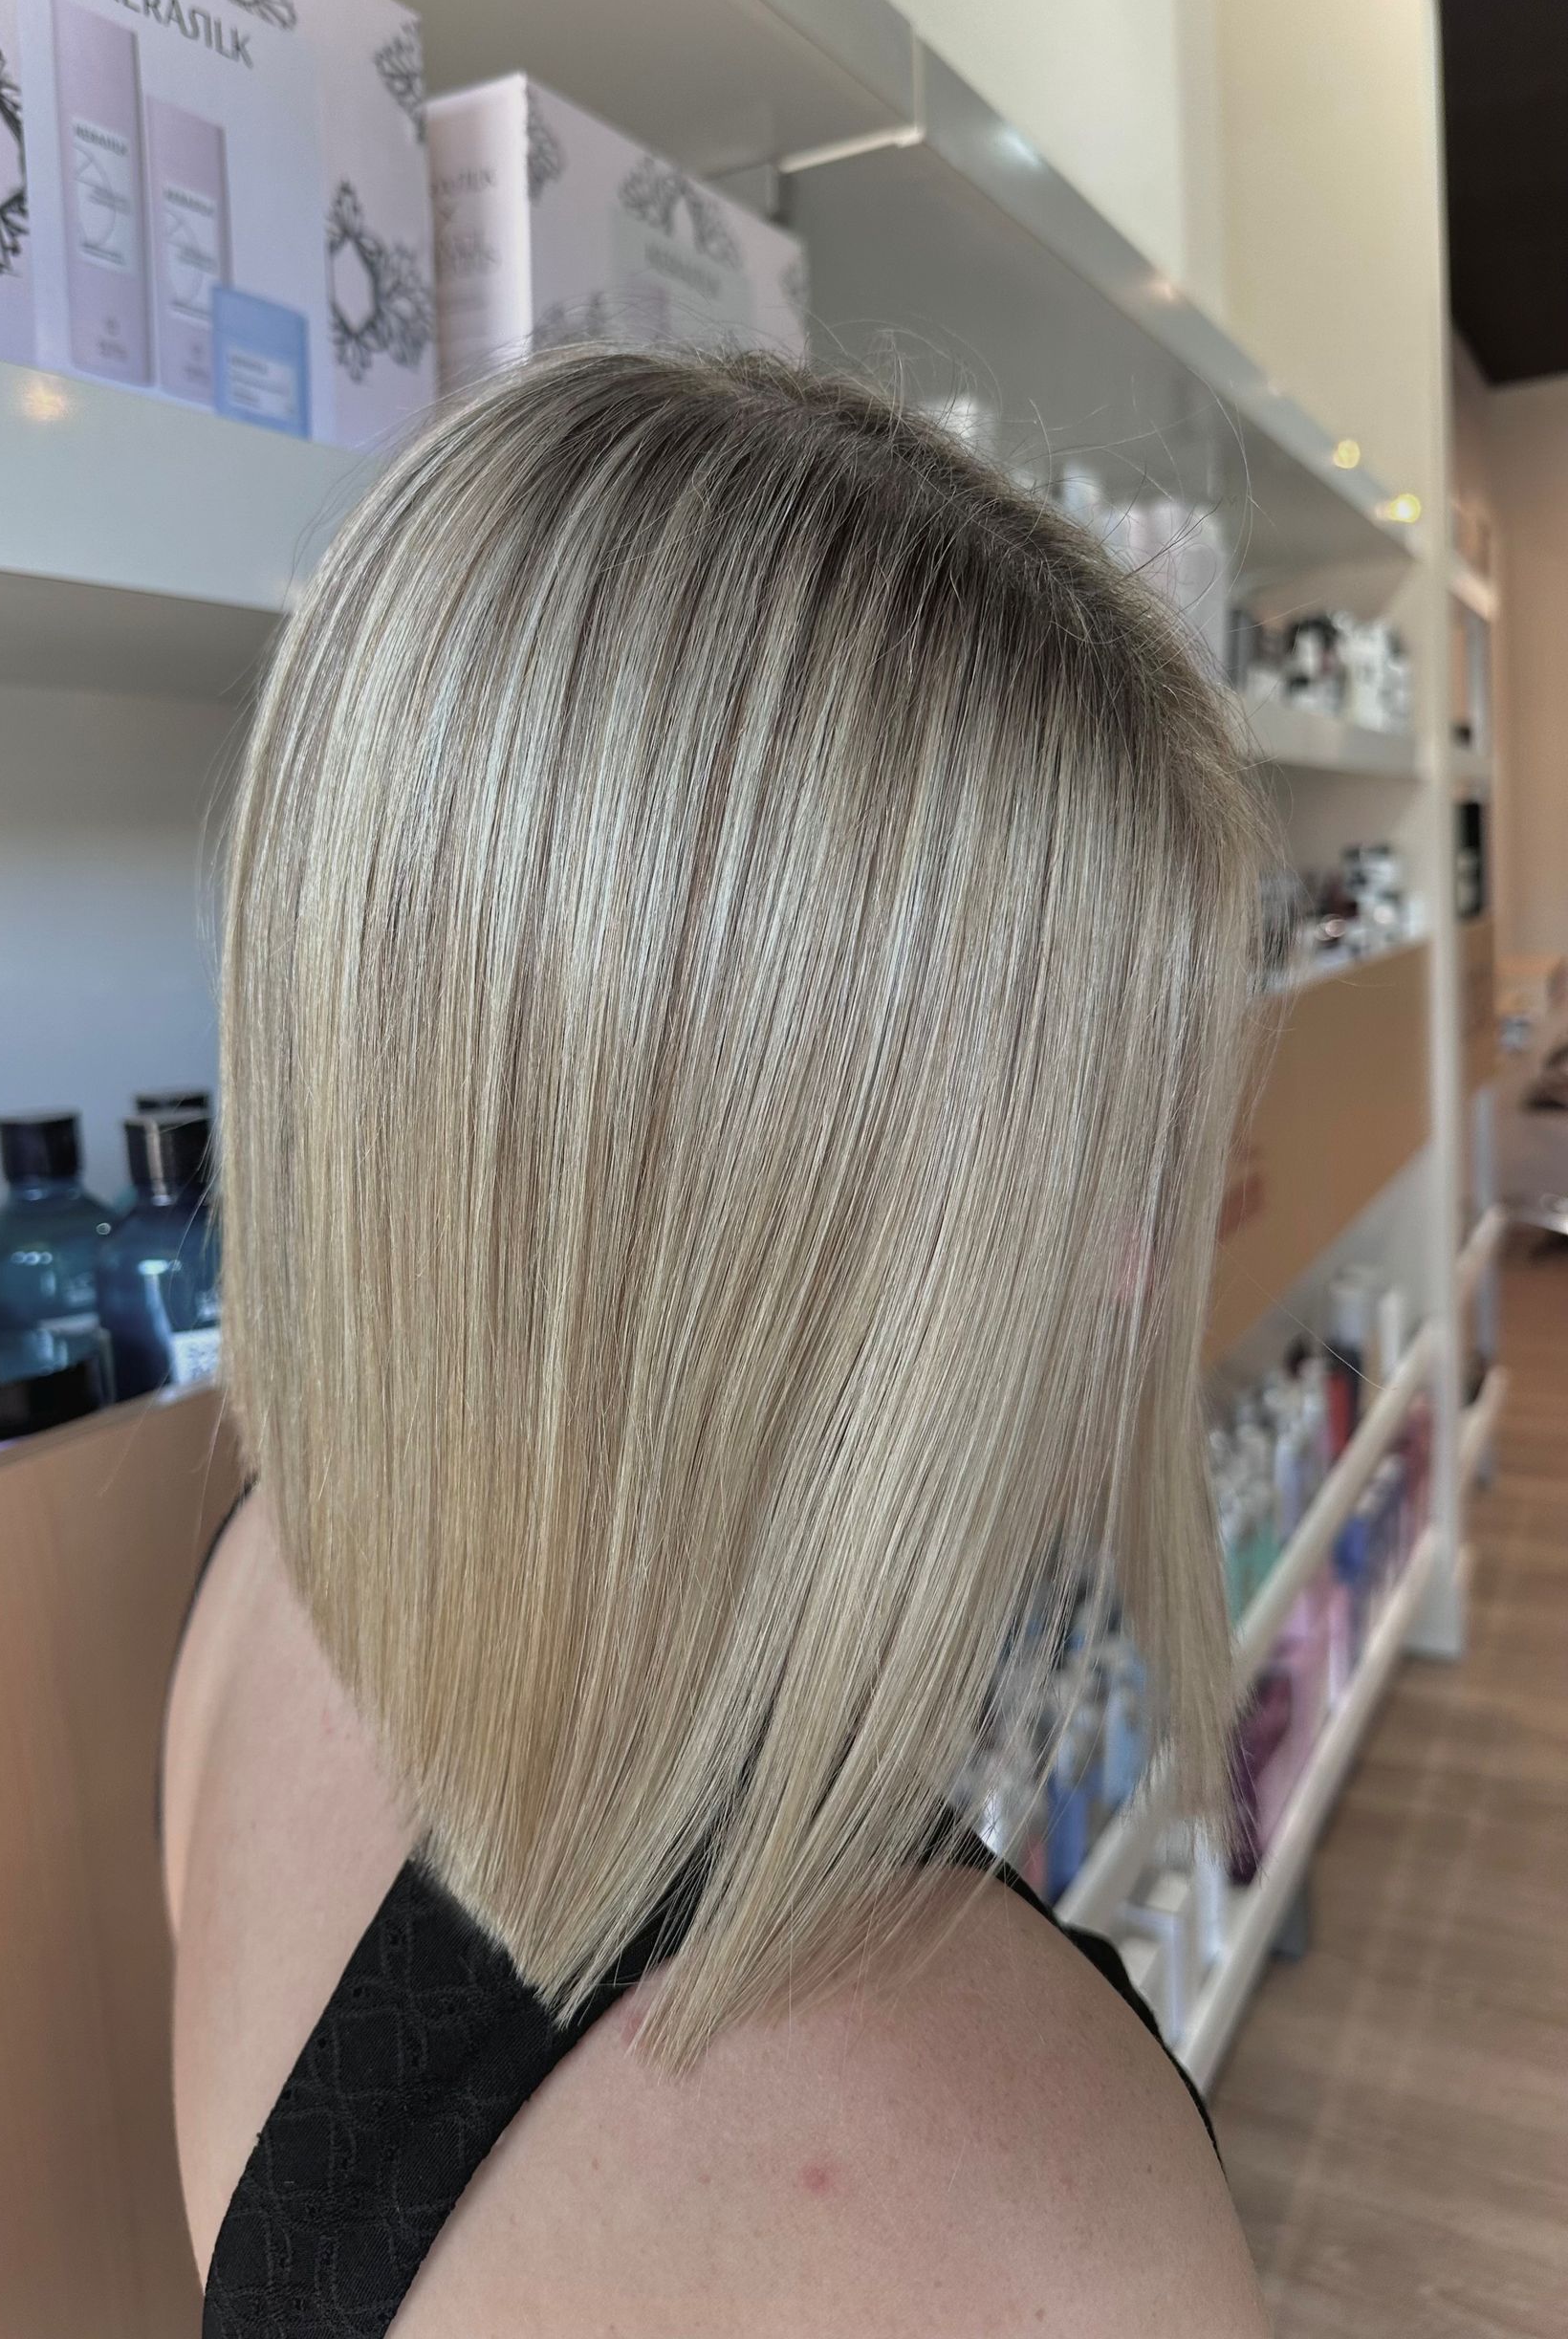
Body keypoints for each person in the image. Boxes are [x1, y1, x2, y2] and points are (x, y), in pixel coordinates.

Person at [164, 348, 1272, 2336]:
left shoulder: (268, 1585)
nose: (1125, 1268)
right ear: (714, 1170)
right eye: (1060, 1131)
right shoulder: (1019, 2209)